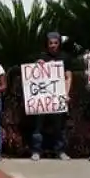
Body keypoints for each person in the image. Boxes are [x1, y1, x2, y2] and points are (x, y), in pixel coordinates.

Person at [30, 32, 72, 162]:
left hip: (57, 98)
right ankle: (36, 151)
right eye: (50, 43)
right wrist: (36, 65)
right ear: (47, 44)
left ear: (59, 43)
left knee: (59, 127)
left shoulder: (65, 57)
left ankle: (60, 151)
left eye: (55, 43)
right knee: (38, 126)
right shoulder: (41, 56)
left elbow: (68, 77)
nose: (53, 45)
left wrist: (66, 93)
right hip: (41, 99)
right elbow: (31, 76)